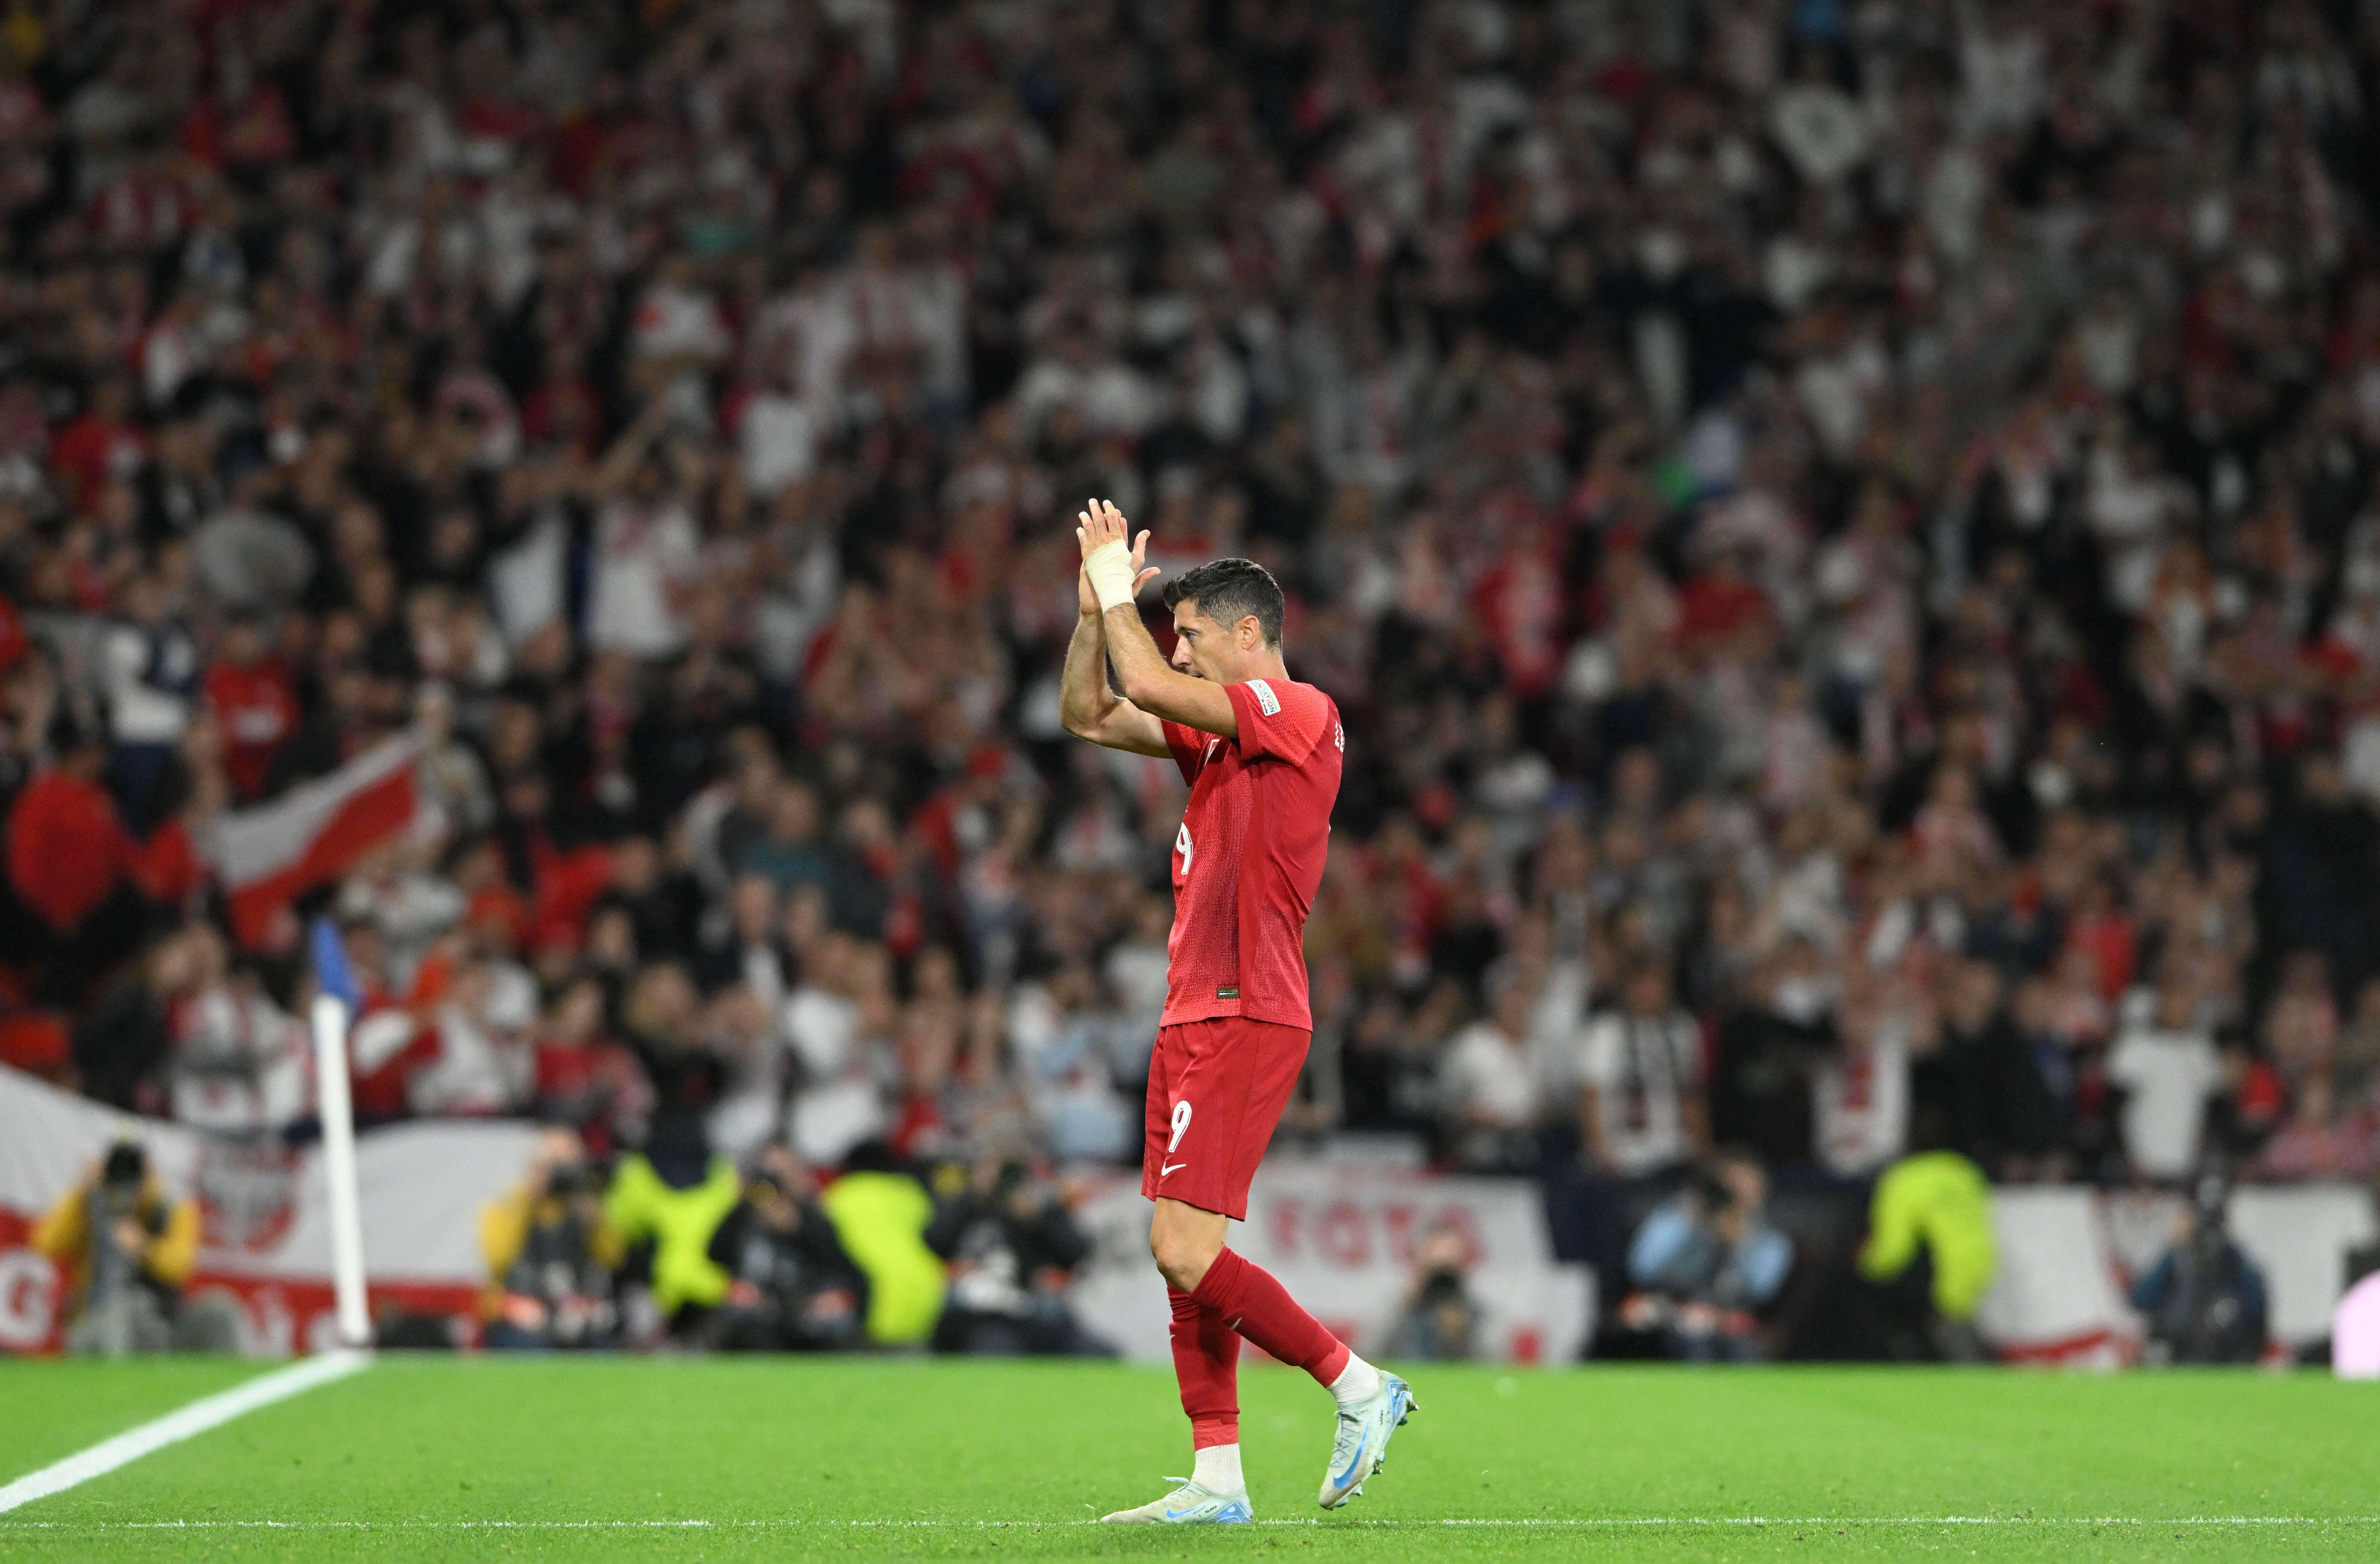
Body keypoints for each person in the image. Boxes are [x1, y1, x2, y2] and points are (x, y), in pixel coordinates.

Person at [1060, 499, 1411, 1525]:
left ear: (1248, 632)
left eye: (1192, 634)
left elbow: (1145, 681)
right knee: (1182, 1250)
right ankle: (1216, 1474)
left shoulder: (1296, 711)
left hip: (1244, 1005)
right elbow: (1090, 713)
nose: (1179, 650)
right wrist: (1089, 614)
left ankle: (1357, 1382)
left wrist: (1119, 594)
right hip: (1190, 1010)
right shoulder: (1218, 743)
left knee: (1182, 1247)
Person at [35, 1139, 240, 1355]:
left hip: (163, 1322)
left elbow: (179, 1267)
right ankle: (118, 1377)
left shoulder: (171, 1209)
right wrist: (83, 1188)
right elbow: (48, 1243)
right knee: (127, 1307)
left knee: (220, 1309)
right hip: (98, 1322)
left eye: (134, 1172)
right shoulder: (90, 1206)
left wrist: (143, 1247)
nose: (126, 1183)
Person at [1619, 1154, 1794, 1362]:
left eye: (1743, 1188)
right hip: (1675, 1309)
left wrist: (1739, 1238)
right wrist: (1689, 1220)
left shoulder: (1770, 1240)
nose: (1734, 1195)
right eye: (1729, 1184)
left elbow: (1761, 1288)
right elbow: (1643, 1269)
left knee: (1739, 1347)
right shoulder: (1680, 1218)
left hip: (1732, 1317)